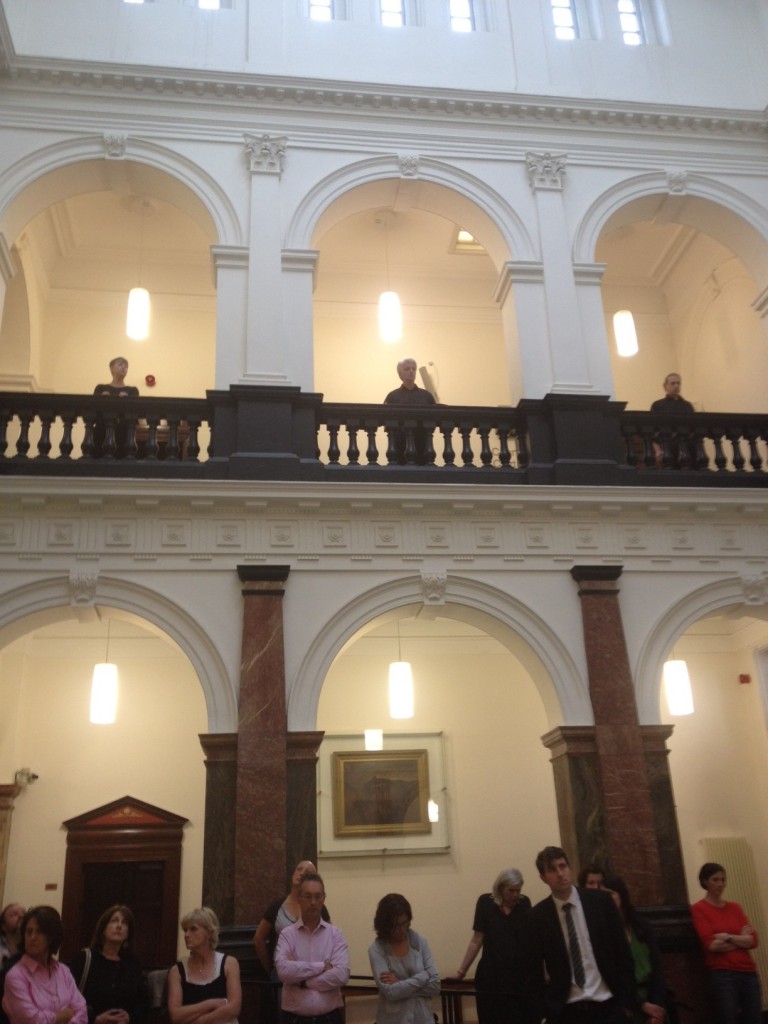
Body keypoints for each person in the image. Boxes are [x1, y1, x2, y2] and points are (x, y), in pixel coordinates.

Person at [527, 845, 637, 1024]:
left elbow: (622, 953)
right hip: (567, 1010)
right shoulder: (537, 917)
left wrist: (626, 1002)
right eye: (552, 869)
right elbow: (532, 971)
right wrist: (543, 1012)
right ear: (543, 877)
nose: (560, 873)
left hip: (608, 1004)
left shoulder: (600, 903)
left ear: (570, 868)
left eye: (562, 866)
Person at [451, 868, 537, 1024]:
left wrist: (542, 971)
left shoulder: (524, 904)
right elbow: (477, 939)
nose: (515, 895)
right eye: (511, 890)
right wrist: (461, 972)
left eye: (518, 890)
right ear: (500, 888)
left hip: (517, 979)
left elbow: (531, 942)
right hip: (491, 978)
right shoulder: (485, 903)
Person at [690, 862, 761, 1024]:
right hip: (723, 975)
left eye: (723, 879)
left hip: (748, 972)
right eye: (715, 880)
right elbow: (712, 945)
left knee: (754, 1019)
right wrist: (740, 939)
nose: (721, 884)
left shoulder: (735, 907)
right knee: (727, 1018)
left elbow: (753, 940)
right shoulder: (699, 909)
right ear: (705, 882)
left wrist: (728, 937)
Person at [274, 872, 349, 1024]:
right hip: (294, 1019)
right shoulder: (287, 935)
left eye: (318, 896)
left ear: (323, 899)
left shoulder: (336, 935)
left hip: (330, 1018)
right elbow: (283, 971)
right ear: (299, 899)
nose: (313, 902)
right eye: (308, 896)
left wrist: (303, 981)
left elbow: (342, 974)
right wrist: (322, 966)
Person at [2, 905, 87, 1024]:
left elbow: (81, 1011)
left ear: (51, 937)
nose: (32, 937)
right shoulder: (15, 975)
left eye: (39, 932)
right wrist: (63, 1015)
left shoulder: (63, 971)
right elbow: (31, 1020)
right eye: (29, 931)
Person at [600, 876, 665, 1023]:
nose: (606, 899)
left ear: (621, 895)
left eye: (610, 894)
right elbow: (613, 977)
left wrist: (657, 1010)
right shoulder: (603, 934)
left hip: (653, 998)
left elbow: (657, 968)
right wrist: (641, 1004)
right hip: (626, 1005)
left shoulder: (642, 927)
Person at [368, 893, 440, 1024]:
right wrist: (423, 976)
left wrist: (400, 983)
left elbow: (435, 985)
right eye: (396, 926)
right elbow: (390, 993)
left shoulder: (420, 942)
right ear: (385, 925)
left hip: (423, 1018)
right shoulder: (376, 949)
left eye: (404, 923)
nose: (401, 930)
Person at [69, 905, 148, 1024]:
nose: (119, 926)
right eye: (114, 921)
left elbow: (143, 1003)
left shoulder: (133, 963)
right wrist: (95, 1019)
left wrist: (129, 1017)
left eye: (124, 923)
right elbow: (68, 999)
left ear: (127, 934)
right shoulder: (85, 959)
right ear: (103, 929)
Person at [253, 861, 329, 979]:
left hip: (313, 970)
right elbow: (259, 938)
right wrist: (270, 968)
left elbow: (329, 937)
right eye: (299, 869)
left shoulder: (318, 907)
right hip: (283, 972)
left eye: (307, 872)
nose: (302, 873)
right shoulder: (277, 906)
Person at [166, 908, 241, 1024]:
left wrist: (200, 1021)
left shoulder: (229, 963)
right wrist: (211, 1003)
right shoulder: (176, 971)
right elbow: (175, 1016)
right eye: (185, 930)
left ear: (209, 933)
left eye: (193, 929)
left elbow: (234, 1008)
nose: (186, 935)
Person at [383, 358, 437, 465]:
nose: (411, 371)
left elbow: (434, 421)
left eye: (413, 369)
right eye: (407, 369)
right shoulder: (392, 396)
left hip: (423, 446)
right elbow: (386, 422)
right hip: (399, 447)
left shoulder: (426, 396)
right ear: (400, 375)